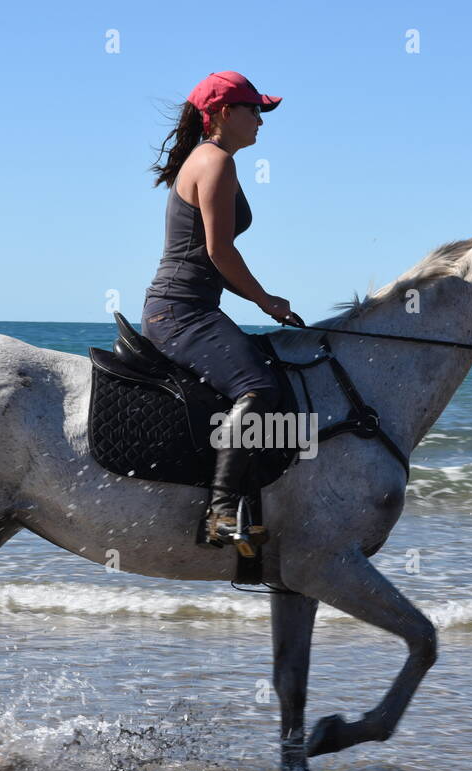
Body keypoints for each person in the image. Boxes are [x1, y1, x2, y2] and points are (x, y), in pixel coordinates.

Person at [142, 71, 302, 548]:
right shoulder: (215, 163)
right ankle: (221, 512)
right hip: (180, 312)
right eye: (254, 110)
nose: (260, 120)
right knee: (257, 386)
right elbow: (219, 253)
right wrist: (266, 300)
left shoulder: (212, 159)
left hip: (188, 307)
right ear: (225, 114)